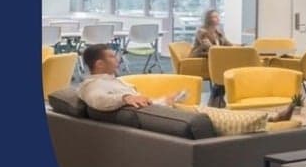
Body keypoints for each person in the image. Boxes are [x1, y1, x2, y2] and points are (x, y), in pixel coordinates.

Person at [78, 43, 293, 120]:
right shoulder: (92, 85)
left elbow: (144, 102)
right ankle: (269, 118)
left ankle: (269, 117)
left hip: (157, 110)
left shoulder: (113, 81)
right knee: (214, 115)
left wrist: (165, 100)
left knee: (214, 112)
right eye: (111, 57)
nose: (117, 59)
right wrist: (126, 97)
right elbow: (98, 100)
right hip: (155, 116)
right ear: (99, 64)